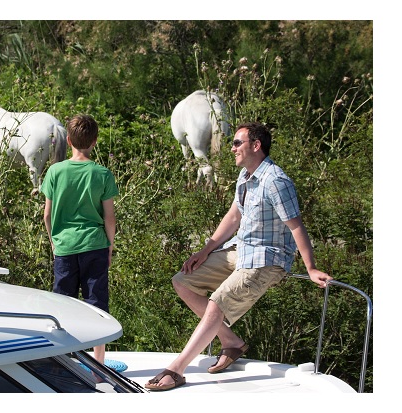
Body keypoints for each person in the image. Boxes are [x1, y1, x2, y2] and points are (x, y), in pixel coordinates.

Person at [145, 121, 333, 391]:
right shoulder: (245, 176)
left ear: (255, 146)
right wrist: (205, 250)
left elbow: (296, 226)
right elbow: (233, 217)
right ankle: (231, 342)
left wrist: (311, 268)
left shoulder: (276, 181)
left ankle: (176, 370)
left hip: (266, 258)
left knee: (216, 303)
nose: (231, 148)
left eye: (237, 143)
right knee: (183, 281)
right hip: (241, 250)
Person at [41, 114, 119, 364]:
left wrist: (54, 242)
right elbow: (109, 217)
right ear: (94, 141)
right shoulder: (102, 173)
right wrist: (110, 244)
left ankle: (64, 360)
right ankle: (98, 364)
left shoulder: (55, 171)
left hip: (64, 246)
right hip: (95, 245)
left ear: (68, 140)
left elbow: (47, 215)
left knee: (62, 303)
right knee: (96, 304)